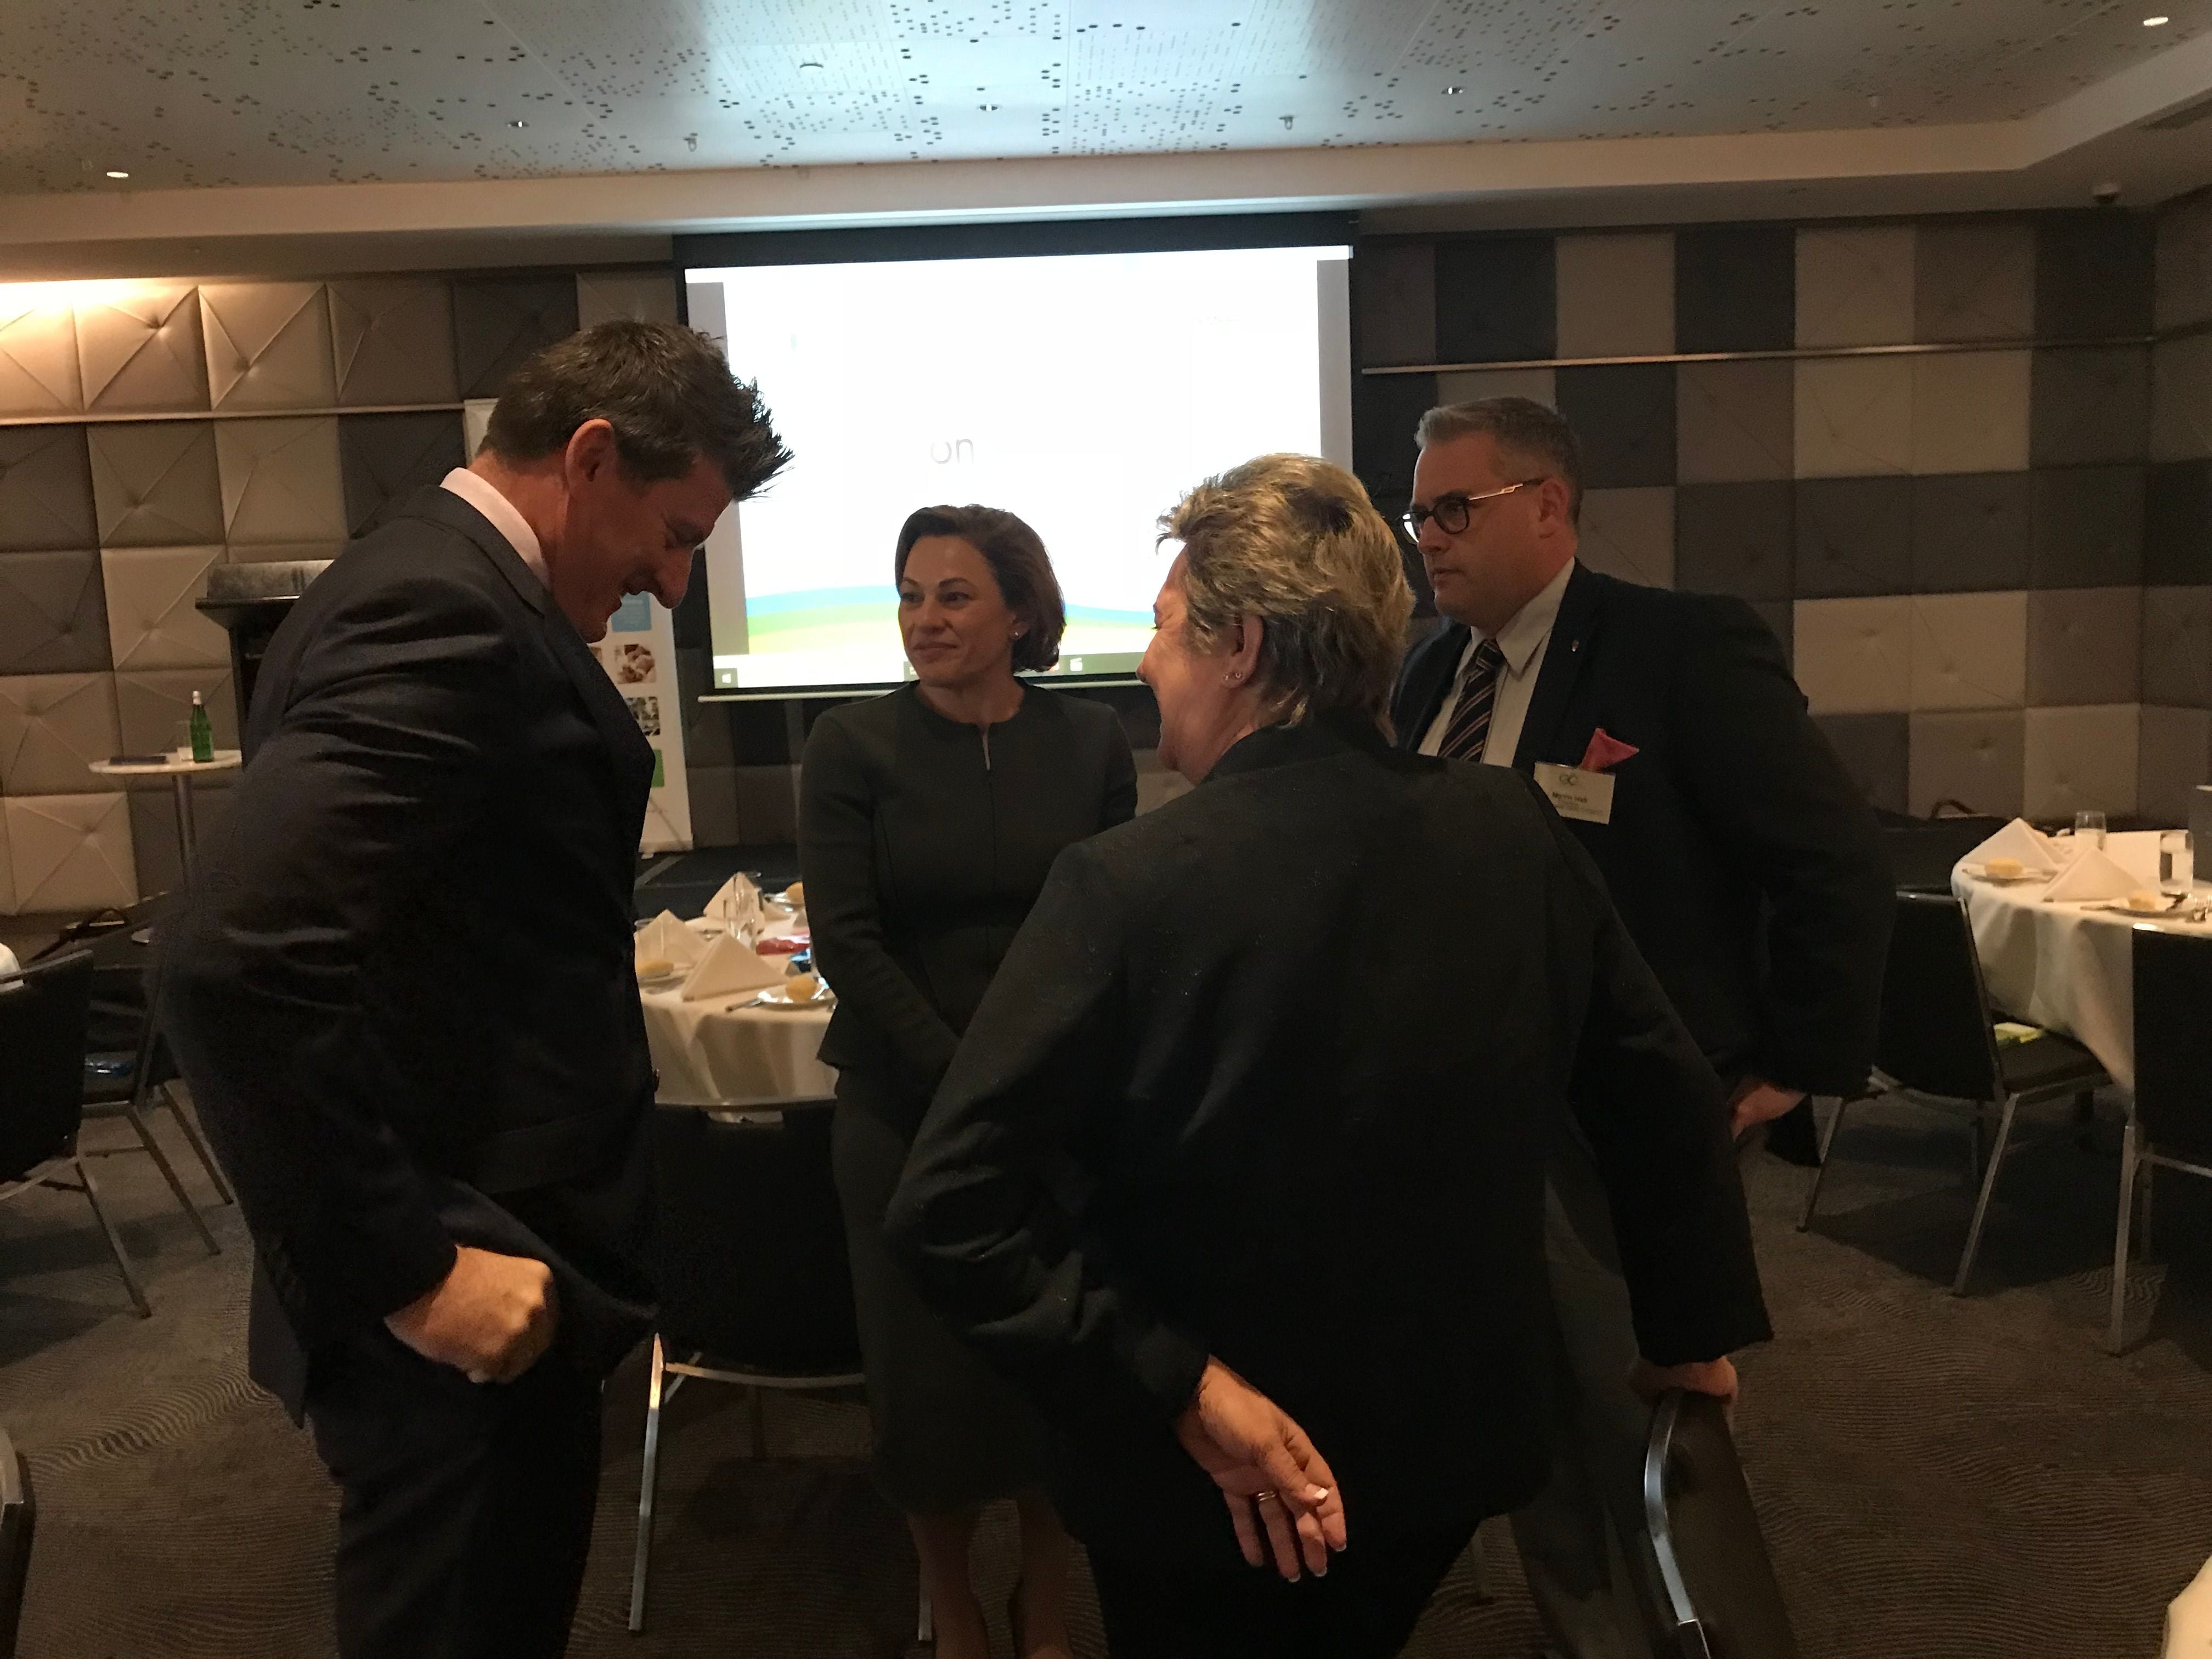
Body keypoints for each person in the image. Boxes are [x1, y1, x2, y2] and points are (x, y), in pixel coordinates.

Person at [883, 454, 1770, 1659]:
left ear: (1241, 648)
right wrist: (1687, 1337)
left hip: (1200, 1481)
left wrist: (1178, 1383)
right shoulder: (1512, 831)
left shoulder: (1126, 884)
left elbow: (948, 1210)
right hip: (1444, 1448)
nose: (1145, 663)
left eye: (1165, 629)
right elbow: (1659, 1098)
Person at [157, 320, 789, 1659]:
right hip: (458, 1288)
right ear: (592, 457)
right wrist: (416, 1274)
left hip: (496, 1256)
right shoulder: (442, 608)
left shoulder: (434, 580)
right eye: (676, 536)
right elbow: (232, 961)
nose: (676, 585)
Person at [1389, 396, 1892, 1657]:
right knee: (1528, 1410)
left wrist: (1795, 1065)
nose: (1429, 538)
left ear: (1548, 506)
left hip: (1634, 1107)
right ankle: (1588, 1637)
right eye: (1418, 515)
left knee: (1641, 1414)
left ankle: (1703, 1637)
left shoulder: (1675, 649)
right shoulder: (1431, 675)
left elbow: (1833, 860)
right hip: (1481, 1106)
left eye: (1455, 510)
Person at [801, 504, 1137, 1659]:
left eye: (953, 595)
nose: (924, 619)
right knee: (925, 1391)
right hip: (904, 1113)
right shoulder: (851, 746)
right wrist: (969, 1086)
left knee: (1053, 1373)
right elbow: (848, 944)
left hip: (1056, 1116)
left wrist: (1035, 1090)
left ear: (1022, 614)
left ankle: (1045, 1598)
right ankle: (951, 1605)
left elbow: (1109, 928)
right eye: (910, 595)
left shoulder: (1090, 741)